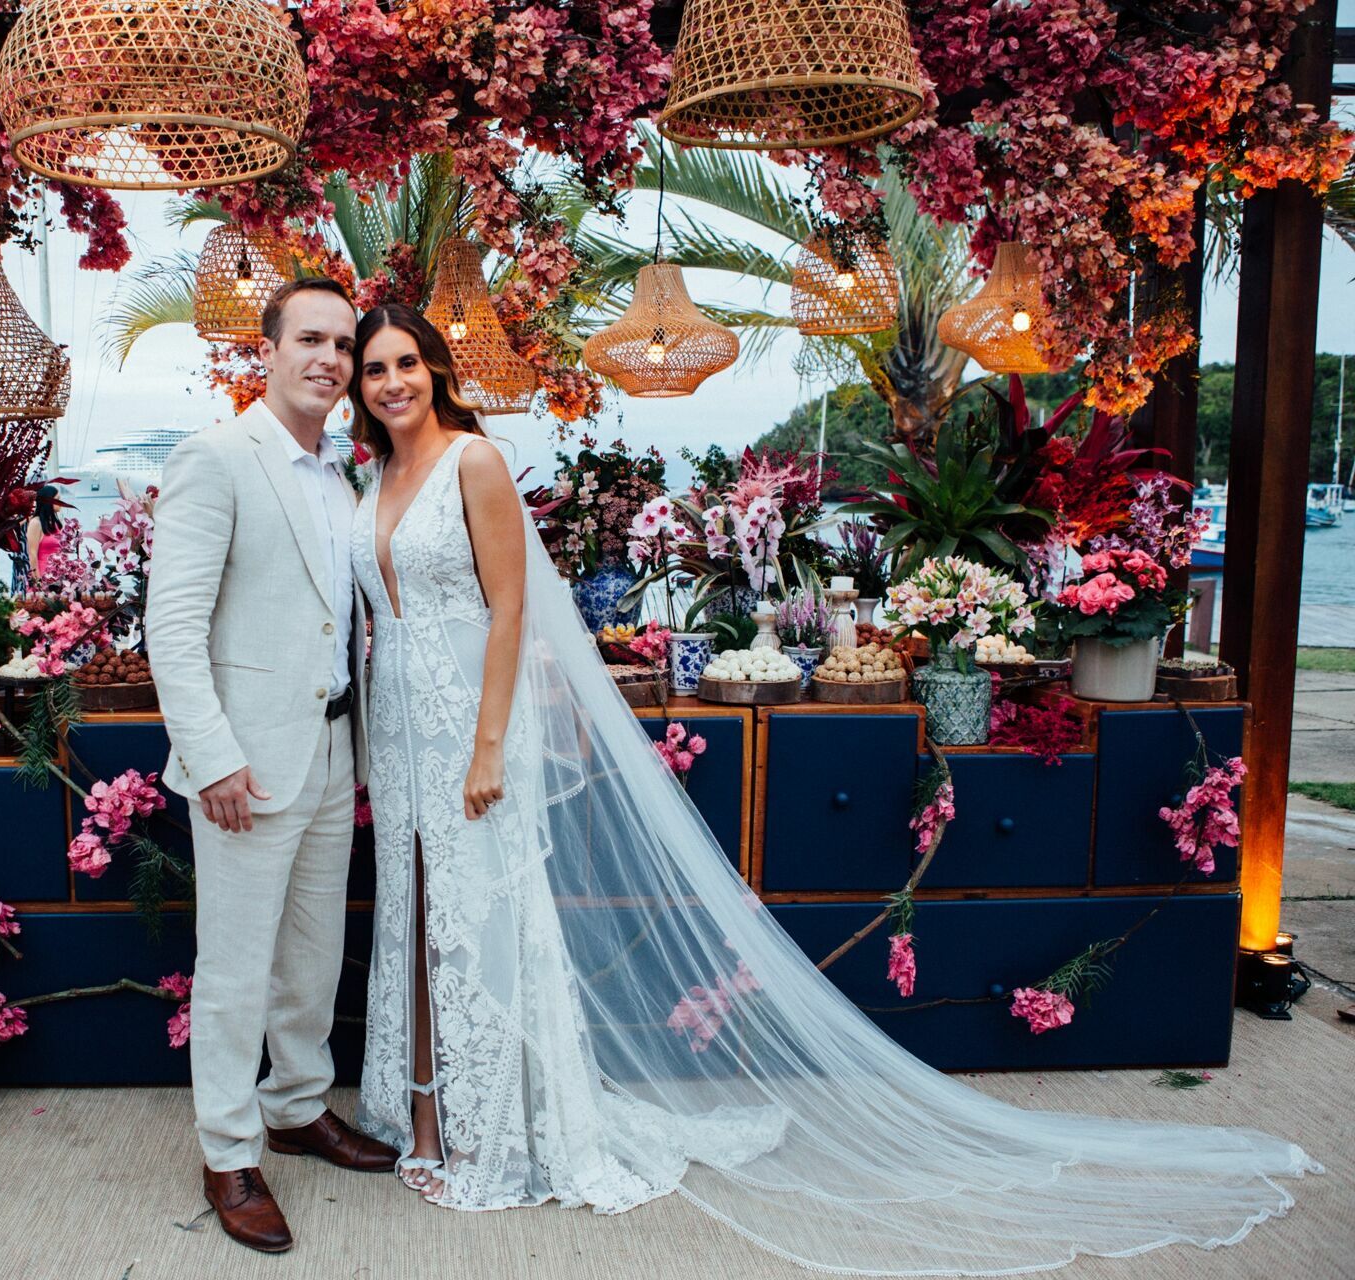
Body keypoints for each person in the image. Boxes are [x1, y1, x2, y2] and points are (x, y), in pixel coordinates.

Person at [345, 302, 1315, 1272]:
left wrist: (484, 745)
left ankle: (478, 1128)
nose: (391, 381)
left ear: (435, 369)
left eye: (406, 363)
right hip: (398, 726)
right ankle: (421, 1105)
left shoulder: (472, 461)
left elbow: (511, 609)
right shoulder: (378, 471)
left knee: (477, 916)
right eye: (374, 368)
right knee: (419, 915)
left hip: (469, 724)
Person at [144, 277, 398, 1255]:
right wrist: (211, 757)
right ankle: (228, 1147)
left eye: (343, 344)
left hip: (333, 745)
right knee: (236, 968)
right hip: (244, 761)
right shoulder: (216, 458)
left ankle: (297, 1103)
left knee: (311, 954)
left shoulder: (337, 474)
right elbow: (174, 627)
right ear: (267, 350)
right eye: (311, 339)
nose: (330, 359)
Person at [23, 483, 63, 583]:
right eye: (57, 499)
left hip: (58, 576)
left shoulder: (55, 524)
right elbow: (32, 553)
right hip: (43, 574)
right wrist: (37, 579)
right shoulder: (36, 523)